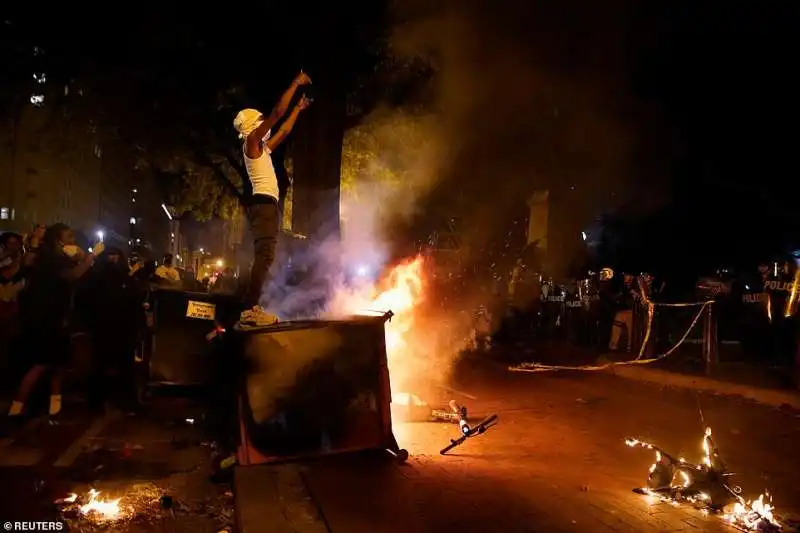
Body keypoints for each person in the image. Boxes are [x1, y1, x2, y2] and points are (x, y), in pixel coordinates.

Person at [233, 71, 313, 325]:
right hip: (263, 205)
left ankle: (251, 306)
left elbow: (285, 129)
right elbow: (277, 114)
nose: (265, 122)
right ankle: (250, 309)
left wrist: (298, 109)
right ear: (252, 127)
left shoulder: (263, 149)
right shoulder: (251, 142)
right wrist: (295, 84)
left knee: (265, 256)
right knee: (265, 255)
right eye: (260, 120)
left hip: (267, 206)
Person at [8, 224, 101, 417]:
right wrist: (91, 257)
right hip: (47, 318)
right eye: (68, 237)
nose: (72, 241)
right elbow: (73, 276)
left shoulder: (51, 258)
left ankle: (54, 408)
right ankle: (16, 409)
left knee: (58, 366)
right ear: (58, 240)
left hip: (55, 317)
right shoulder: (54, 259)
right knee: (41, 364)